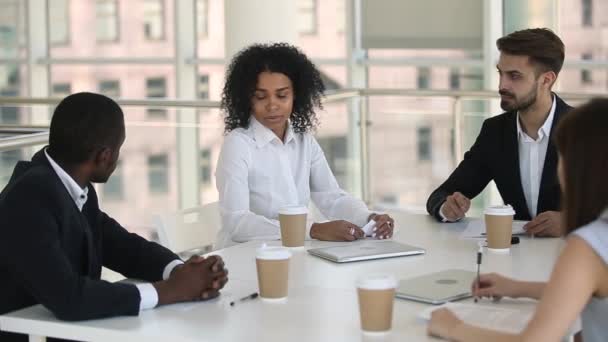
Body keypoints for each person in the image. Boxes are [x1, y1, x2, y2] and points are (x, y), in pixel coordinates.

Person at [0, 93, 228, 342]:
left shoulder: (69, 184)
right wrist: (169, 291)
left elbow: (122, 246)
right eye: (119, 149)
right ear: (104, 156)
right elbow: (69, 298)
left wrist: (180, 271)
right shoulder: (30, 198)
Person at [427, 98, 608, 341]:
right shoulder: (496, 131)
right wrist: (516, 288)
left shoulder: (588, 248)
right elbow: (586, 287)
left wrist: (452, 328)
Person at [215, 43, 393, 248]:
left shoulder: (304, 141)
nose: (272, 105)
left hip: (292, 252)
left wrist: (369, 217)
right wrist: (313, 229)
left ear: (296, 96)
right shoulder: (238, 145)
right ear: (247, 99)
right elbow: (237, 223)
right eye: (260, 96)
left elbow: (331, 198)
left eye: (282, 95)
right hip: (242, 258)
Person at [426, 28, 571, 237]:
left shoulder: (588, 131)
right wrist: (447, 208)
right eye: (500, 73)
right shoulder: (494, 132)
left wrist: (572, 222)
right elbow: (441, 195)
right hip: (517, 257)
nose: (502, 85)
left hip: (578, 256)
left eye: (514, 76)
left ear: (546, 80)